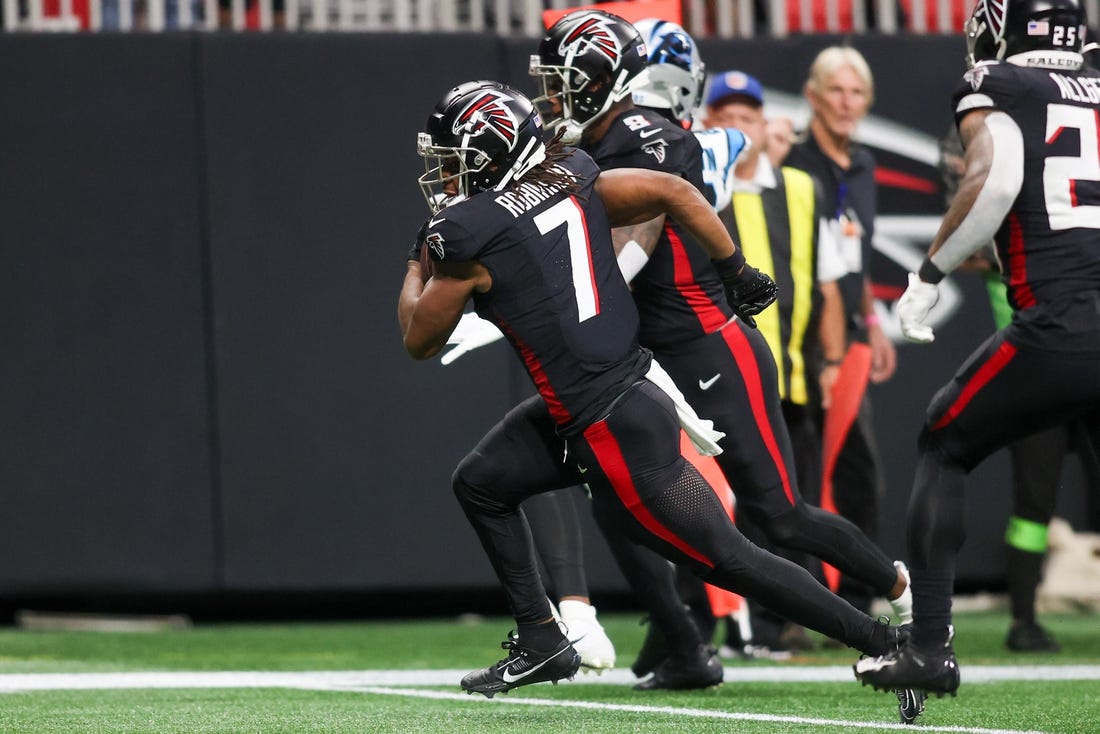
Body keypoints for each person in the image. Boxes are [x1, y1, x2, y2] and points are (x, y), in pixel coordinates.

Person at [400, 78, 908, 701]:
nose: (446, 174)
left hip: (609, 425)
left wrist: (416, 259)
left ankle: (889, 646)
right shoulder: (575, 174)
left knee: (728, 559)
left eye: (454, 159)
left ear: (490, 152)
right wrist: (737, 271)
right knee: (480, 481)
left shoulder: (468, 236)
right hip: (611, 397)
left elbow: (418, 339)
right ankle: (542, 637)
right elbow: (671, 189)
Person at [528, 8, 918, 705]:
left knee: (780, 514)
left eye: (564, 83)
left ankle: (902, 594)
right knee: (618, 496)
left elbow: (640, 237)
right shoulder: (615, 134)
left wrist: (579, 294)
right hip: (654, 350)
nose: (553, 98)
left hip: (710, 344)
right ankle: (677, 631)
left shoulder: (641, 139)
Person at [854, 0, 1100, 698]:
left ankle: (929, 648)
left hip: (1062, 322)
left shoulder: (1002, 84)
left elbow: (992, 181)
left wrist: (926, 275)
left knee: (943, 440)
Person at [939, 125, 1100, 653]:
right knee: (1035, 491)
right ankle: (1024, 619)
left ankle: (1024, 621)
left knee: (1032, 490)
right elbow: (972, 240)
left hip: (1050, 350)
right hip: (1043, 346)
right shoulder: (1000, 131)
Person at [782, 46, 897, 618]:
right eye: (837, 90)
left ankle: (856, 596)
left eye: (857, 92)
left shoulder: (866, 166)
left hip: (849, 338)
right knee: (797, 475)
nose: (847, 102)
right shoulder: (795, 164)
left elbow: (856, 257)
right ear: (813, 95)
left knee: (858, 472)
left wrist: (872, 322)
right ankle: (798, 605)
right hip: (801, 340)